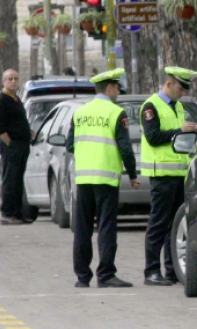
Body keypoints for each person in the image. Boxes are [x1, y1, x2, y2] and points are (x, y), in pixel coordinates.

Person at [66, 68, 140, 288]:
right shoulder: (116, 112)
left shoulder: (80, 112)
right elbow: (126, 148)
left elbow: (70, 144)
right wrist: (133, 174)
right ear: (109, 88)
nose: (118, 92)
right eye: (117, 88)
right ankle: (106, 275)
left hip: (83, 178)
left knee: (83, 228)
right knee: (106, 226)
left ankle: (82, 277)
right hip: (106, 178)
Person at [140, 66, 197, 286]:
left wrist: (194, 130)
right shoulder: (151, 106)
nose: (182, 92)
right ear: (169, 84)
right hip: (162, 174)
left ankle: (172, 270)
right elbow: (153, 136)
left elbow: (180, 138)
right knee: (159, 223)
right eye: (180, 88)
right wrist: (180, 132)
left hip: (179, 174)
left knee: (175, 225)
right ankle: (151, 271)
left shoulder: (178, 107)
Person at [0, 69, 33, 225]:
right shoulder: (0, 100)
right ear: (4, 81)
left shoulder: (16, 98)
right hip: (11, 146)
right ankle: (7, 213)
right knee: (10, 180)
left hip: (22, 144)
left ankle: (17, 213)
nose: (13, 81)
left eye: (16, 78)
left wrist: (28, 131)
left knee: (17, 181)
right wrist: (10, 143)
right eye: (10, 79)